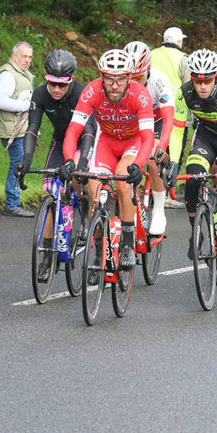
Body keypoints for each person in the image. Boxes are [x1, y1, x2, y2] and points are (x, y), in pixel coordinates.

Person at [62, 49, 155, 270]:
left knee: (123, 180)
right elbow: (74, 130)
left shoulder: (141, 95)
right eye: (109, 79)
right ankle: (98, 254)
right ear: (101, 76)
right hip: (106, 141)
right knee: (93, 188)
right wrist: (69, 160)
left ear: (129, 78)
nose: (114, 85)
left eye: (120, 79)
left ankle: (128, 243)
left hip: (132, 142)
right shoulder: (92, 91)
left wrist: (137, 165)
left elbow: (147, 137)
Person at [163, 49, 217, 279]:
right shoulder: (184, 93)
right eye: (197, 80)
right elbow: (177, 130)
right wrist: (173, 163)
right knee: (193, 176)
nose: (202, 86)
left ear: (215, 76)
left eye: (208, 80)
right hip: (207, 138)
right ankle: (197, 232)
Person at [13, 49, 85, 281]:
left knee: (78, 178)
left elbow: (90, 130)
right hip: (60, 142)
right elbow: (32, 128)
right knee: (51, 193)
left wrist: (79, 163)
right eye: (52, 83)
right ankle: (47, 254)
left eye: (61, 85)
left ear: (71, 80)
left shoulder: (80, 93)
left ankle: (86, 221)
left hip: (84, 141)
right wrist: (26, 158)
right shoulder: (40, 94)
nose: (56, 89)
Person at [124, 40, 174, 235]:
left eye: (139, 77)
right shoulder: (119, 83)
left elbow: (168, 118)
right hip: (133, 123)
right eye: (131, 77)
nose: (135, 83)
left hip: (156, 122)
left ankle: (159, 209)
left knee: (153, 160)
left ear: (148, 69)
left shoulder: (159, 81)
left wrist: (161, 146)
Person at [0, 41, 34, 217]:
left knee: (18, 163)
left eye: (30, 57)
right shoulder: (8, 75)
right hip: (11, 129)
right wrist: (24, 105)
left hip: (18, 127)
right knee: (17, 164)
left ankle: (14, 201)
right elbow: (0, 100)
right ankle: (12, 204)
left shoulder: (20, 73)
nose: (27, 60)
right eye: (24, 56)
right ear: (14, 56)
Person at [152, 27, 189, 208]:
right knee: (174, 154)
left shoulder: (152, 54)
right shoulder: (183, 58)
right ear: (179, 41)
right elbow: (189, 87)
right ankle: (165, 194)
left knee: (155, 152)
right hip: (176, 113)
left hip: (153, 111)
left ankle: (153, 191)